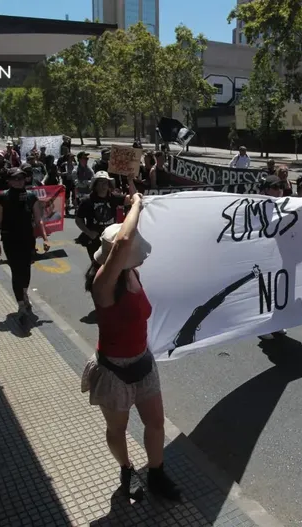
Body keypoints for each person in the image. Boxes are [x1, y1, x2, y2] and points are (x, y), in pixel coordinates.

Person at [81, 195, 181, 501]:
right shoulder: (103, 284)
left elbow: (125, 239)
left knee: (155, 422)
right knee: (118, 428)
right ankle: (126, 469)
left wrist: (133, 198)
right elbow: (123, 239)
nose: (141, 255)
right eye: (132, 250)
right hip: (114, 371)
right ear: (118, 257)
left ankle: (156, 473)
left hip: (143, 362)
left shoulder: (130, 273)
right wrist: (137, 204)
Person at [0, 167, 50, 321]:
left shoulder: (31, 196)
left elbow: (38, 218)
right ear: (9, 181)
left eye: (21, 178)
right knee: (16, 271)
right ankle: (20, 304)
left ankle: (24, 292)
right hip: (10, 239)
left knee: (26, 270)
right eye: (15, 179)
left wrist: (44, 238)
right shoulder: (2, 197)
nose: (18, 181)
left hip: (27, 239)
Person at [76, 171, 136, 261]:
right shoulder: (87, 200)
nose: (103, 185)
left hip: (110, 238)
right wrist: (89, 233)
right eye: (100, 182)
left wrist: (130, 181)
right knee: (96, 265)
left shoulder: (113, 197)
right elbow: (78, 219)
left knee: (110, 264)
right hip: (95, 240)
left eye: (105, 182)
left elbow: (133, 199)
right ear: (95, 185)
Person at [257, 175, 287, 340]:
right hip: (264, 255)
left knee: (280, 291)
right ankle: (262, 326)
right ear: (265, 189)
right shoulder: (257, 206)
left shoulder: (287, 205)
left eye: (280, 188)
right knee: (265, 291)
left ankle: (276, 323)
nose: (279, 191)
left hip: (281, 254)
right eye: (275, 188)